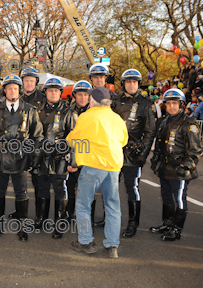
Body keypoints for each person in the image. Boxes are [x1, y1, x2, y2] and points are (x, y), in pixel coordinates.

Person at [0, 74, 44, 241]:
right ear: (4, 91)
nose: (12, 91)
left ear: (19, 90)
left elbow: (37, 136)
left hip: (21, 159)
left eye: (15, 88)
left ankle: (22, 227)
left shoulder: (29, 110)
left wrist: (36, 155)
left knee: (21, 193)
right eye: (9, 88)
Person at [67, 87, 128, 258]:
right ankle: (112, 245)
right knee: (113, 206)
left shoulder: (87, 116)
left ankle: (86, 242)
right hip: (113, 166)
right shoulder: (117, 118)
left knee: (83, 204)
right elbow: (123, 141)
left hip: (93, 165)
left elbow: (73, 140)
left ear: (93, 100)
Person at [149, 89, 201, 241]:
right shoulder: (164, 121)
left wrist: (183, 167)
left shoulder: (189, 123)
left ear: (182, 104)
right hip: (165, 168)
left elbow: (195, 150)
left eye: (175, 103)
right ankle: (167, 223)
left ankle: (176, 230)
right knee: (166, 197)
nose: (171, 106)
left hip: (179, 170)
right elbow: (159, 145)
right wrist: (155, 160)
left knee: (179, 199)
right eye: (169, 103)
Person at [111, 69, 157, 238]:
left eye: (134, 82)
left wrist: (142, 154)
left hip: (133, 154)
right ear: (123, 83)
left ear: (138, 84)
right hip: (114, 152)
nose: (131, 84)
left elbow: (150, 131)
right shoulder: (115, 101)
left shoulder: (145, 102)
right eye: (128, 81)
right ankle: (111, 218)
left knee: (132, 189)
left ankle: (133, 223)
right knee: (111, 187)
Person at [35, 77, 75, 239]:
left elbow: (74, 138)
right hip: (41, 158)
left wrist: (72, 160)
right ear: (45, 93)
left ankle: (59, 223)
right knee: (42, 188)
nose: (53, 93)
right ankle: (41, 219)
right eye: (50, 90)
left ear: (60, 93)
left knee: (60, 189)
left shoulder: (68, 112)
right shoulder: (37, 111)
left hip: (60, 158)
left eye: (56, 91)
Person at [8, 67, 46, 220]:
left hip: (36, 146)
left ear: (36, 82)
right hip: (19, 148)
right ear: (22, 82)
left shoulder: (44, 99)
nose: (29, 83)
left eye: (32, 80)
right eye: (26, 80)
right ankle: (20, 212)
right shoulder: (17, 98)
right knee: (20, 184)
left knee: (38, 182)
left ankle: (39, 216)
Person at [87, 63, 117, 227]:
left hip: (108, 152)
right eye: (95, 77)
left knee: (109, 191)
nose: (98, 79)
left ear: (106, 79)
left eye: (101, 77)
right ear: (91, 79)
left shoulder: (115, 98)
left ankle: (109, 221)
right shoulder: (85, 95)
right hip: (89, 152)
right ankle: (89, 220)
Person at [64, 80, 92, 222]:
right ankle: (69, 213)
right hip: (72, 157)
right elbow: (65, 136)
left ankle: (88, 217)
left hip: (89, 159)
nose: (82, 98)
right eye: (79, 94)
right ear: (74, 95)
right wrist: (69, 160)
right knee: (70, 188)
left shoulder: (95, 113)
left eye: (85, 95)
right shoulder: (68, 111)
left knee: (88, 190)